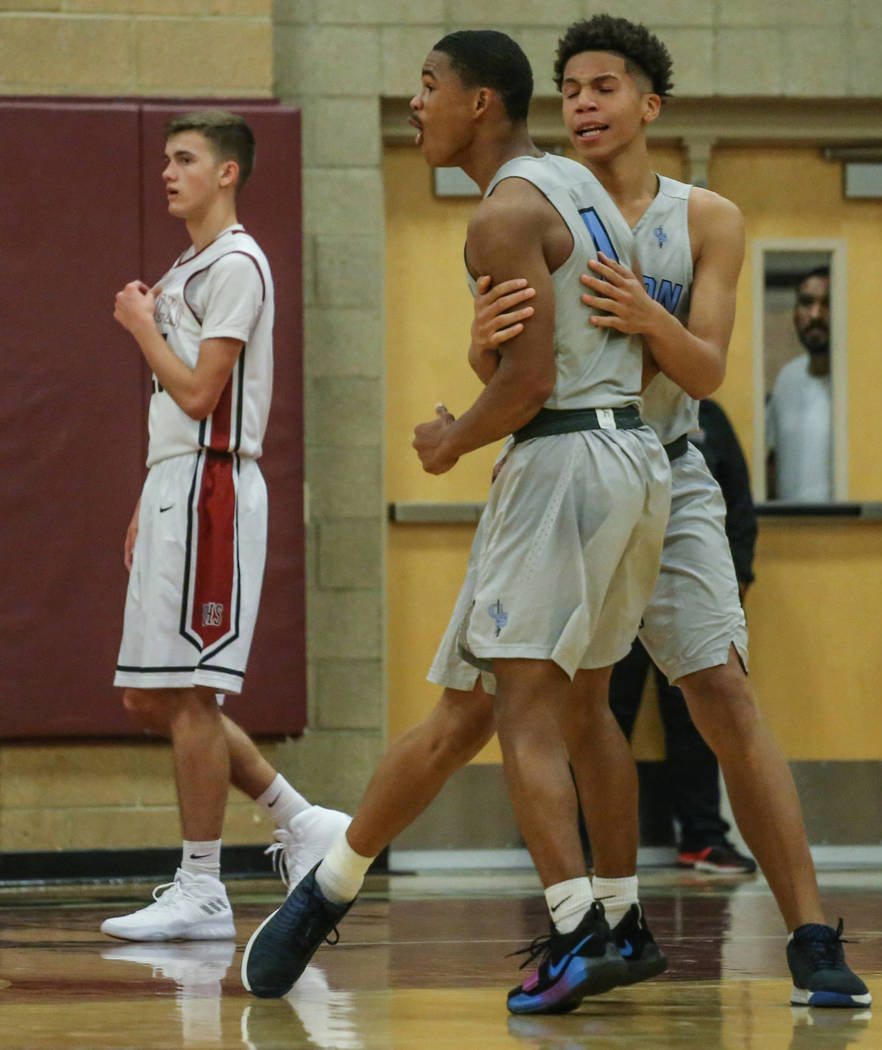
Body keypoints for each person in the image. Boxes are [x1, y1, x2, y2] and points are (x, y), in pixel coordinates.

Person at [242, 30, 673, 1015]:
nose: (415, 106)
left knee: (523, 705)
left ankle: (575, 934)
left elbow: (527, 383)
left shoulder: (502, 214)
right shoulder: (584, 189)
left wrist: (450, 440)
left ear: (481, 102)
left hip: (563, 462)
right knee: (487, 707)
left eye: (428, 86)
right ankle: (337, 886)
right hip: (631, 460)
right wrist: (500, 388)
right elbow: (577, 354)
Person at [468, 15, 869, 1009]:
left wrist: (651, 313)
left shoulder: (706, 217)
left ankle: (813, 935)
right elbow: (507, 370)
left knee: (723, 697)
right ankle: (602, 924)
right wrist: (482, 343)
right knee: (563, 705)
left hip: (673, 466)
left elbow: (710, 367)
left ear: (651, 105)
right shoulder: (543, 201)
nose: (583, 104)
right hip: (571, 464)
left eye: (604, 86)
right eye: (568, 89)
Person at [102, 110, 348, 942]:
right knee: (148, 695)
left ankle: (202, 886)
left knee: (193, 693)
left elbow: (202, 395)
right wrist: (147, 491)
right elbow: (176, 413)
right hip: (177, 484)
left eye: (185, 159)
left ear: (228, 172)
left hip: (213, 491)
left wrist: (140, 329)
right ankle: (302, 820)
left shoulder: (239, 263)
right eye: (166, 159)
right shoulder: (187, 267)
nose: (167, 172)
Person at [607, 398, 757, 875]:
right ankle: (584, 842)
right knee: (605, 708)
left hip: (685, 580)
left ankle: (703, 836)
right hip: (617, 574)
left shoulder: (707, 415)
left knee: (700, 713)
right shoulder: (602, 405)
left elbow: (738, 500)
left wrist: (739, 574)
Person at [765, 267, 833, 501]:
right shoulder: (787, 378)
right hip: (792, 530)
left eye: (827, 303)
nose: (815, 314)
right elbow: (772, 461)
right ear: (794, 313)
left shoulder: (860, 383)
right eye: (806, 303)